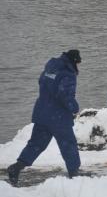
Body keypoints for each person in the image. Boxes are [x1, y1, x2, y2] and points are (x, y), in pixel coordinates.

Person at [7, 50, 82, 185]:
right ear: (74, 61)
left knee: (36, 144)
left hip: (42, 113)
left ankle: (16, 167)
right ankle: (75, 175)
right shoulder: (68, 73)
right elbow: (64, 95)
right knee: (68, 145)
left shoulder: (50, 68)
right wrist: (75, 108)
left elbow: (41, 82)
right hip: (58, 117)